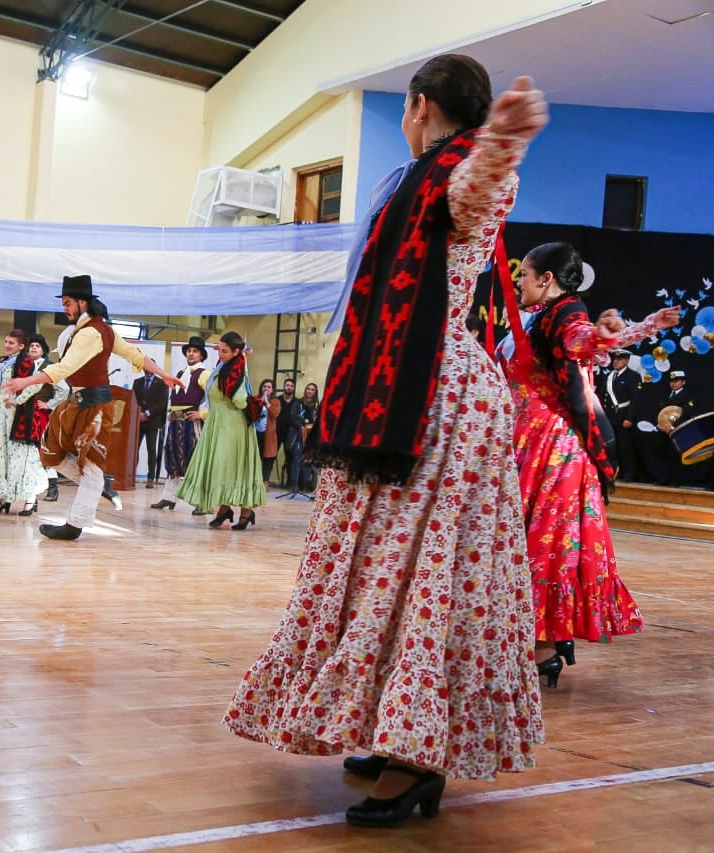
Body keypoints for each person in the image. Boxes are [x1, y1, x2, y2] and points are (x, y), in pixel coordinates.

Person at [225, 57, 550, 826]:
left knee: (427, 572)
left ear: (418, 106)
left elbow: (476, 195)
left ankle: (416, 753)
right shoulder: (414, 178)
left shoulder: (462, 172)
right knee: (378, 569)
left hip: (434, 400)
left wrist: (502, 141)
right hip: (394, 394)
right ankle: (391, 725)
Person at [502, 241, 680, 688]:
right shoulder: (541, 316)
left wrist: (606, 334)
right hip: (527, 442)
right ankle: (542, 643)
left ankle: (543, 646)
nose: (519, 280)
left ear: (546, 280)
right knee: (527, 544)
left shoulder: (566, 313)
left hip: (553, 448)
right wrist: (644, 327)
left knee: (541, 548)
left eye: (524, 274)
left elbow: (582, 341)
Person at [3, 275, 179, 540]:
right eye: (63, 302)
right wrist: (164, 372)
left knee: (92, 467)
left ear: (82, 303)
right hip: (75, 404)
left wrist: (25, 381)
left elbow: (68, 367)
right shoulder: (83, 331)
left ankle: (74, 524)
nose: (64, 308)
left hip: (96, 408)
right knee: (49, 451)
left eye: (67, 303)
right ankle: (97, 485)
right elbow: (134, 356)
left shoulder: (94, 333)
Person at [177, 331, 266, 529]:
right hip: (219, 423)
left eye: (225, 351)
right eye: (220, 350)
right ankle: (224, 508)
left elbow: (240, 400)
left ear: (236, 352)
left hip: (233, 426)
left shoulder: (238, 371)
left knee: (232, 466)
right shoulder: (223, 367)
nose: (221, 354)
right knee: (221, 466)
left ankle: (246, 510)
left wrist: (256, 404)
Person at [0, 329, 48, 516]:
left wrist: (18, 400)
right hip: (0, 416)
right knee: (1, 456)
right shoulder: (5, 363)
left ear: (21, 346)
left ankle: (30, 499)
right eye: (6, 341)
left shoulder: (26, 362)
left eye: (11, 342)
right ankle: (3, 497)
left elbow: (37, 384)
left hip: (16, 417)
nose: (7, 345)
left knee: (21, 457)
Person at [150, 336, 210, 514]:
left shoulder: (204, 374)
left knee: (194, 461)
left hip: (191, 425)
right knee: (172, 460)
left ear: (201, 355)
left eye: (195, 351)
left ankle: (201, 502)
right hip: (175, 423)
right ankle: (169, 497)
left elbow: (214, 398)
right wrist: (171, 412)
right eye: (189, 351)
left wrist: (202, 413)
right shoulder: (180, 373)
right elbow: (176, 397)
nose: (191, 354)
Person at [596, 349, 643, 481]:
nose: (616, 362)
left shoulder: (633, 376)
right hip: (609, 417)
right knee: (610, 447)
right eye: (615, 359)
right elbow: (603, 396)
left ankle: (628, 474)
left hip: (623, 416)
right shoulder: (609, 376)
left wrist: (629, 418)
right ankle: (612, 472)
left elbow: (636, 400)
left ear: (627, 361)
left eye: (620, 359)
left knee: (625, 447)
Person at [27, 334, 63, 502]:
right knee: (27, 450)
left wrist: (50, 404)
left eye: (37, 346)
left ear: (43, 351)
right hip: (24, 413)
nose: (33, 348)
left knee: (42, 449)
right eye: (31, 345)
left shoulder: (50, 367)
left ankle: (52, 488)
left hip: (40, 414)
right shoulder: (24, 366)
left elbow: (63, 389)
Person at [133, 366, 169, 487]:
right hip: (138, 421)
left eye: (150, 368)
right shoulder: (137, 382)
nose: (147, 371)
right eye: (146, 368)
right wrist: (138, 413)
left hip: (153, 422)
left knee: (151, 450)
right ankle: (131, 475)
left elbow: (161, 403)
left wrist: (147, 413)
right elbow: (133, 400)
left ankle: (151, 478)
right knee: (134, 450)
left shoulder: (162, 383)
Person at [253, 379, 277, 486]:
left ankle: (264, 481)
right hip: (256, 433)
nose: (266, 389)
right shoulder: (255, 399)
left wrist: (267, 402)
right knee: (255, 457)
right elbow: (252, 413)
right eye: (264, 386)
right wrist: (260, 402)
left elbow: (275, 414)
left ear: (272, 390)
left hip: (268, 434)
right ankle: (254, 481)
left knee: (267, 458)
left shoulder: (275, 401)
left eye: (269, 387)